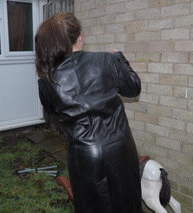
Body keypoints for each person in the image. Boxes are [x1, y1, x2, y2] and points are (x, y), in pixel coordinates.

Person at [35, 12, 142, 213]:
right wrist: (119, 57)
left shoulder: (47, 81)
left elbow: (52, 113)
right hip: (120, 147)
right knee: (128, 202)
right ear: (80, 35)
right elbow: (133, 88)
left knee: (91, 207)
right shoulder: (105, 60)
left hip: (84, 154)